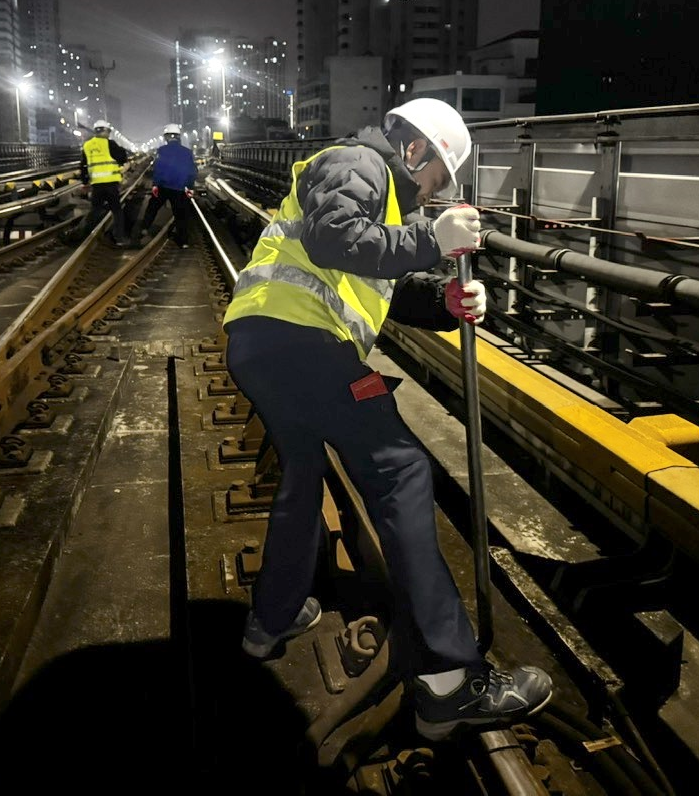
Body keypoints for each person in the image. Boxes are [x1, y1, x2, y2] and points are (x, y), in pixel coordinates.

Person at [222, 97, 553, 741]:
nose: (434, 194)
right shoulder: (359, 162)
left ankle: (271, 623)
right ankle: (449, 681)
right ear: (416, 150)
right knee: (400, 472)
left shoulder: (382, 199)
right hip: (302, 343)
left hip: (267, 343)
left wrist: (449, 298)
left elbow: (379, 277)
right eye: (436, 180)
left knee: (303, 473)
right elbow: (336, 237)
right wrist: (436, 238)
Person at [138, 123, 198, 248]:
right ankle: (184, 241)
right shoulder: (187, 152)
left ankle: (144, 229)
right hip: (180, 188)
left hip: (163, 186)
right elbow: (192, 171)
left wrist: (155, 184)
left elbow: (158, 169)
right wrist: (189, 187)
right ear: (178, 137)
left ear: (166, 137)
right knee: (181, 214)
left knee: (152, 207)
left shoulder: (161, 151)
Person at [79, 119, 132, 247]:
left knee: (95, 210)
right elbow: (123, 157)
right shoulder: (111, 144)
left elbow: (83, 166)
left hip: (96, 184)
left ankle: (83, 236)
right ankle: (119, 238)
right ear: (107, 131)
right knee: (117, 211)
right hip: (111, 184)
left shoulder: (87, 145)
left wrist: (85, 181)